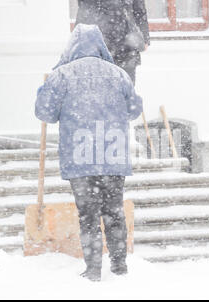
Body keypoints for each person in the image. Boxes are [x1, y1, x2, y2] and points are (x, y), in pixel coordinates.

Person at [35, 24, 143, 281]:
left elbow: (45, 113)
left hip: (80, 155)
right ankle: (119, 266)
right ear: (100, 45)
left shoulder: (62, 75)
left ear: (72, 47)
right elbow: (133, 111)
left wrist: (44, 91)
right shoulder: (119, 75)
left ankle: (93, 269)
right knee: (115, 211)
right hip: (112, 153)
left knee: (88, 214)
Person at [76, 0, 150, 84]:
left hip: (126, 44)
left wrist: (145, 37)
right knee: (100, 86)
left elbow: (140, 12)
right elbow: (84, 9)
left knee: (126, 84)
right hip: (99, 43)